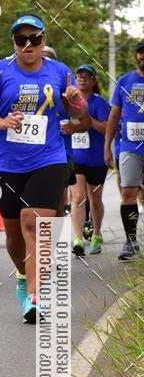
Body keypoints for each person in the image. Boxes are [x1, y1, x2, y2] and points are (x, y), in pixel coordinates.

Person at [0, 14, 88, 323]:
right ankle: (24, 276)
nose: (28, 44)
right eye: (21, 39)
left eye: (34, 38)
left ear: (43, 40)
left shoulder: (60, 72)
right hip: (6, 163)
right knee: (13, 235)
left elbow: (79, 114)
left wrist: (76, 100)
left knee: (34, 223)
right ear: (13, 42)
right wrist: (1, 122)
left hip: (48, 159)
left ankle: (36, 295)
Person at [104, 39, 144, 260]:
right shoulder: (124, 81)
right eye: (141, 52)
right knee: (128, 192)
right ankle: (130, 242)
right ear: (136, 56)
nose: (143, 56)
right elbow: (113, 117)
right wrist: (107, 147)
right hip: (130, 147)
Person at [68, 65, 110, 256]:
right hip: (76, 157)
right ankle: (78, 239)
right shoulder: (69, 103)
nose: (83, 79)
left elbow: (106, 128)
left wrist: (87, 119)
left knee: (95, 199)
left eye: (87, 76)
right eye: (79, 76)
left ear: (93, 81)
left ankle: (96, 234)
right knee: (78, 196)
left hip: (96, 159)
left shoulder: (99, 103)